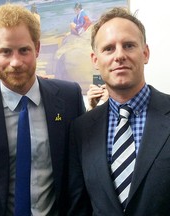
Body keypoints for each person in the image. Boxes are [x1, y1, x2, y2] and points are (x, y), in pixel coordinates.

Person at [0, 3, 85, 215]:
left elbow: (79, 171)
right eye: (5, 51)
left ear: (38, 49)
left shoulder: (69, 97)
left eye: (24, 50)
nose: (16, 62)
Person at [68, 7, 170, 215]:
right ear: (95, 60)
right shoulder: (81, 129)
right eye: (108, 49)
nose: (119, 55)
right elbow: (79, 206)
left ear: (145, 53)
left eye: (129, 45)